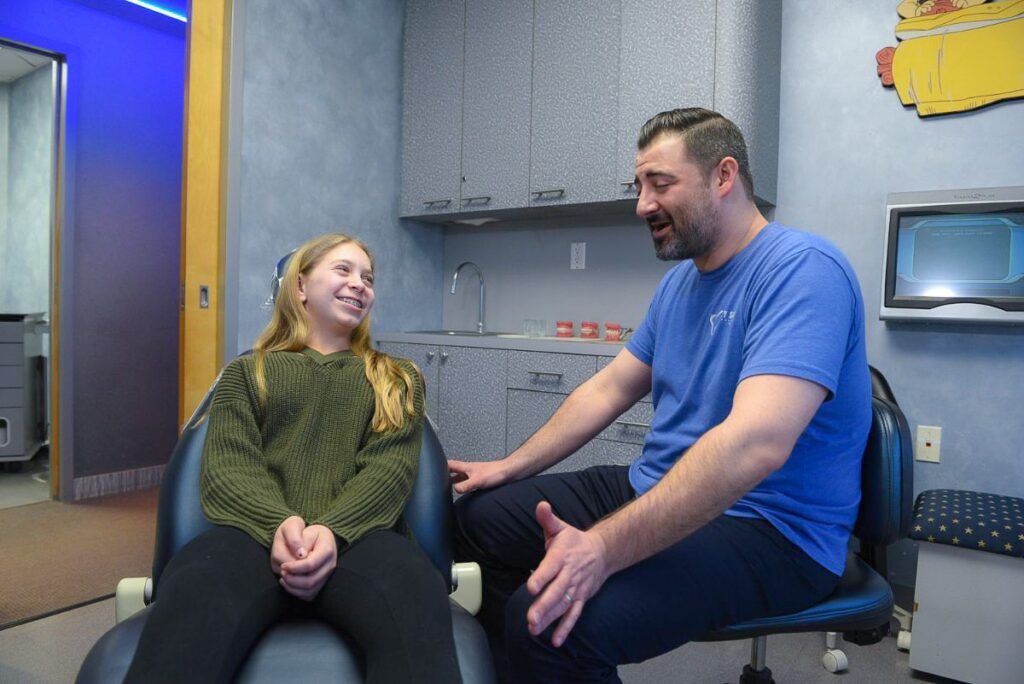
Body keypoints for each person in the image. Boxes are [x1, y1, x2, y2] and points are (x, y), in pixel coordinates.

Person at [449, 108, 872, 683]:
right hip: (661, 484)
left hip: (773, 530)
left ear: (724, 177)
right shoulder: (679, 285)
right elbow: (608, 389)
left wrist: (602, 548)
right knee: (478, 519)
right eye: (640, 185)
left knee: (547, 621)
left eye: (660, 183)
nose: (642, 204)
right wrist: (510, 466)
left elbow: (756, 445)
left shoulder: (802, 270)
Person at [125, 233, 463, 683]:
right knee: (196, 588)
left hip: (361, 539)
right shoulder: (248, 373)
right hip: (252, 538)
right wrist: (279, 525)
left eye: (368, 277)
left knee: (414, 590)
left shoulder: (396, 378)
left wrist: (331, 530)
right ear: (300, 286)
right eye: (343, 270)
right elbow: (230, 468)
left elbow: (388, 471)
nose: (360, 284)